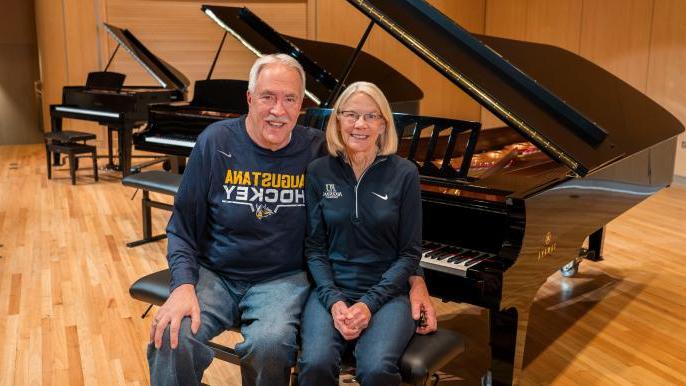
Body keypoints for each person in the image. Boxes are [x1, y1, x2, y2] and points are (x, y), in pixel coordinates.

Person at [147, 55, 437, 386]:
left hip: (282, 280)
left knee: (269, 346)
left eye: (290, 99)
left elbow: (379, 220)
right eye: (268, 96)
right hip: (216, 274)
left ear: (301, 104)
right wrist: (183, 285)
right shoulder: (216, 142)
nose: (278, 110)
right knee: (170, 336)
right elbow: (182, 225)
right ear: (250, 98)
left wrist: (416, 279)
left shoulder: (317, 150)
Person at [298, 81, 424, 386]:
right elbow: (314, 248)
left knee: (376, 368)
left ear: (383, 124)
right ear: (338, 120)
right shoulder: (318, 171)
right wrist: (334, 300)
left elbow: (410, 253)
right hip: (331, 290)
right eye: (351, 114)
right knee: (315, 363)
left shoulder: (405, 173)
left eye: (370, 116)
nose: (359, 124)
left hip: (388, 294)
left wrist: (369, 304)